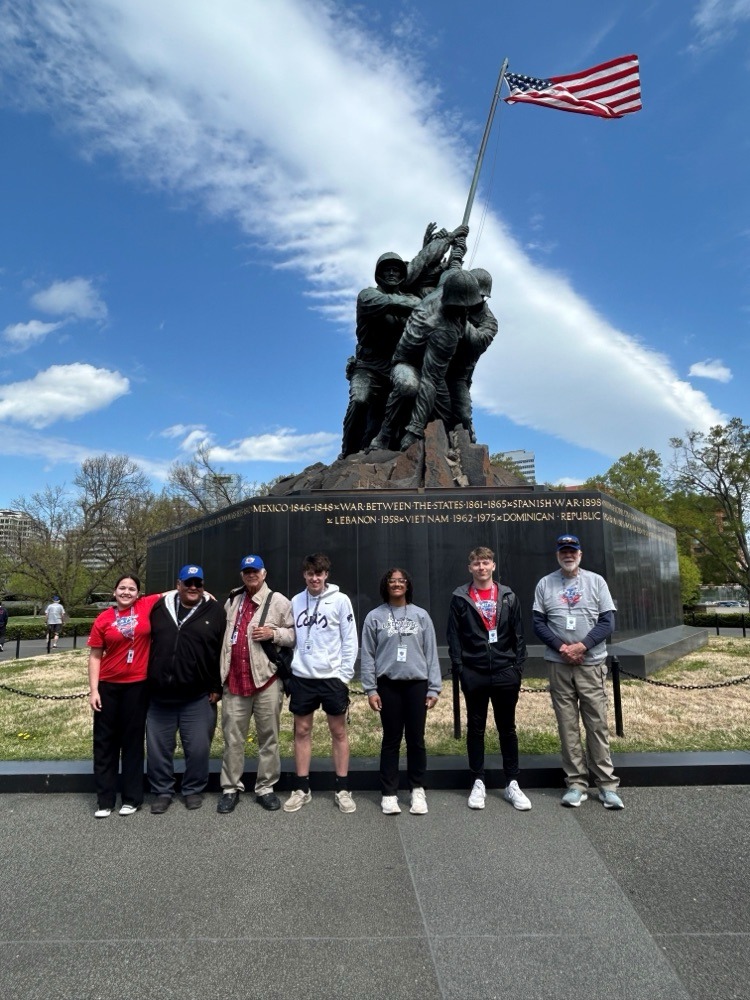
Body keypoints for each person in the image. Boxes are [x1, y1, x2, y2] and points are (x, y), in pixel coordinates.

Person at [532, 534, 623, 810]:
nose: (568, 555)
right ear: (557, 555)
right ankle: (576, 783)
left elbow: (607, 621)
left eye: (572, 551)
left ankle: (606, 785)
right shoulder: (545, 583)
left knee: (596, 723)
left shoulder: (596, 582)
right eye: (564, 551)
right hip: (559, 664)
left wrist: (582, 646)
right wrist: (563, 648)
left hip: (591, 662)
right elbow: (538, 623)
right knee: (567, 725)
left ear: (580, 555)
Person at [447, 546, 531, 811]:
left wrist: (517, 667)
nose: (481, 568)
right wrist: (460, 668)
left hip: (505, 670)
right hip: (474, 671)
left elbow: (519, 633)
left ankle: (512, 782)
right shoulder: (460, 598)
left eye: (485, 563)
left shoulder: (508, 596)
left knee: (507, 728)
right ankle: (478, 781)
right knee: (476, 728)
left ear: (493, 566)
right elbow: (453, 635)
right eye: (476, 564)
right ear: (469, 568)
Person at [217, 554, 294, 815]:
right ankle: (230, 788)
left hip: (266, 681)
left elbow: (294, 635)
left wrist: (274, 634)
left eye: (255, 571)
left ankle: (265, 788)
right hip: (235, 681)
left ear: (264, 573)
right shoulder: (233, 600)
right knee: (232, 739)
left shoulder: (279, 601)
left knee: (269, 738)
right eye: (247, 571)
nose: (251, 575)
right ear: (242, 575)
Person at [360, 567, 441, 815]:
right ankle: (389, 793)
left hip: (417, 684)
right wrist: (371, 689)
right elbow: (367, 655)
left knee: (416, 739)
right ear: (385, 585)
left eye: (401, 580)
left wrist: (434, 687)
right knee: (391, 740)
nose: (396, 584)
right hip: (388, 685)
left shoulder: (421, 616)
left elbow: (431, 653)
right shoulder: (374, 617)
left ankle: (417, 789)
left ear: (407, 585)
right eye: (392, 581)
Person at [146, 564, 225, 813]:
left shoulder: (215, 610)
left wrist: (216, 685)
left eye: (197, 583)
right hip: (160, 696)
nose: (193, 587)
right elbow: (133, 603)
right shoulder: (159, 607)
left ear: (203, 586)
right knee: (158, 749)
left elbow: (220, 651)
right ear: (178, 584)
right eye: (188, 583)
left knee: (198, 748)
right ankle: (162, 791)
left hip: (197, 695)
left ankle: (193, 789)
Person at [284, 553, 358, 814]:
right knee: (302, 731)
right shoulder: (296, 601)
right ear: (304, 575)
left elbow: (350, 639)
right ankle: (301, 788)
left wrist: (344, 676)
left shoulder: (340, 600)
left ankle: (342, 789)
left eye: (319, 573)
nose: (314, 578)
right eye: (310, 573)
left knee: (338, 732)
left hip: (331, 678)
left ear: (326, 574)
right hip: (303, 677)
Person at [87, 575, 165, 818]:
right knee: (105, 743)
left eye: (132, 589)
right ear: (114, 591)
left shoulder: (145, 605)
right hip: (108, 686)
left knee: (132, 742)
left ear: (138, 594)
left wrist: (206, 594)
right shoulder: (104, 618)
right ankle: (105, 800)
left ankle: (132, 798)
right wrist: (94, 690)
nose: (126, 592)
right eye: (122, 588)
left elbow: (174, 592)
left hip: (137, 686)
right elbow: (95, 656)